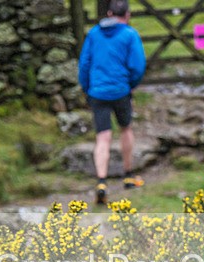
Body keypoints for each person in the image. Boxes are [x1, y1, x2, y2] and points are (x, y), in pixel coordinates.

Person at [78, 0, 146, 205]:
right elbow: (138, 65)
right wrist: (131, 84)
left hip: (97, 91)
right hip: (120, 90)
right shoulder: (130, 34)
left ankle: (101, 182)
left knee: (103, 137)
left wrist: (87, 88)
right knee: (126, 129)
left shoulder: (93, 34)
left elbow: (84, 64)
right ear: (127, 14)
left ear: (108, 13)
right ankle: (128, 176)